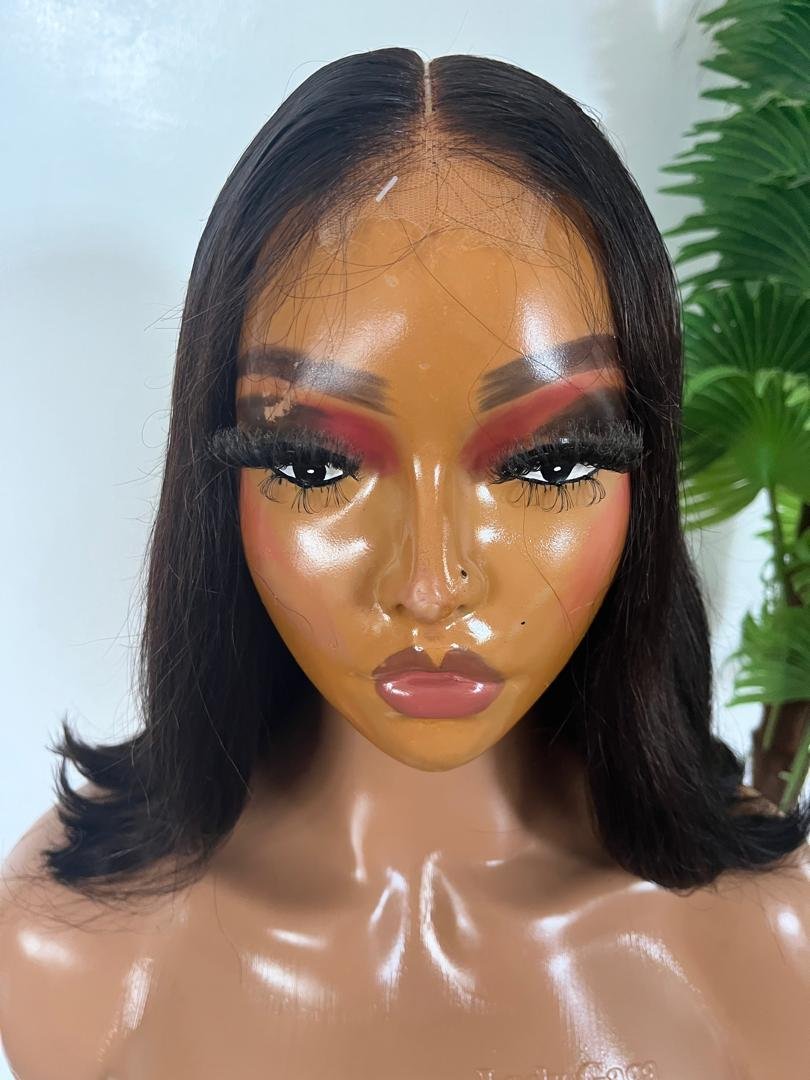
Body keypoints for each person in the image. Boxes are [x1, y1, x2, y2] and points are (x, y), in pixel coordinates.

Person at [2, 47, 808, 1080]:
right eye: (314, 464)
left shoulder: (773, 953)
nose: (430, 587)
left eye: (551, 463)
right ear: (220, 480)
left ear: (638, 479)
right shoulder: (69, 948)